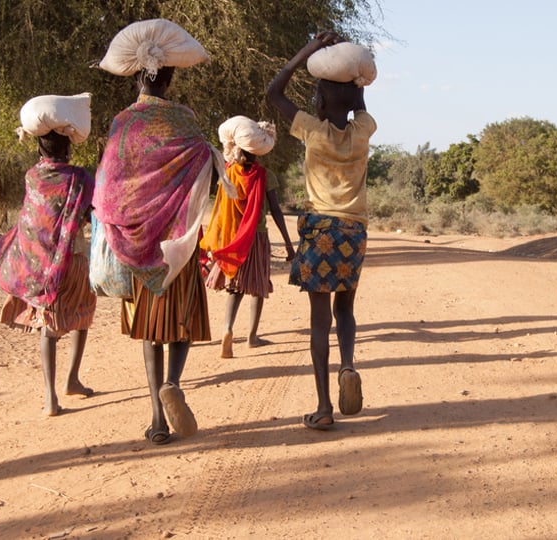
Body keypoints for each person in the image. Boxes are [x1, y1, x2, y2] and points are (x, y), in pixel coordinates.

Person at [93, 19, 225, 444]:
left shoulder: (123, 124)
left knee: (149, 331)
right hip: (178, 245)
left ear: (137, 75)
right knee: (180, 325)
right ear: (169, 76)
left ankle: (156, 416)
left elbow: (109, 185)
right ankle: (174, 382)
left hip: (138, 247)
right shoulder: (184, 120)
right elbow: (201, 162)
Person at [266, 32, 377, 430]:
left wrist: (309, 49)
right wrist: (354, 67)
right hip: (354, 231)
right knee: (345, 309)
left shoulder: (311, 130)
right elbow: (358, 101)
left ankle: (324, 406)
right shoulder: (363, 130)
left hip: (319, 232)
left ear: (318, 102)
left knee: (319, 322)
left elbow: (273, 92)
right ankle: (348, 365)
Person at [0, 94, 96, 417]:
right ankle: (72, 378)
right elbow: (89, 212)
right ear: (69, 148)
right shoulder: (79, 179)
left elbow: (32, 221)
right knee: (82, 313)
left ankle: (50, 397)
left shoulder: (32, 177)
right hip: (73, 261)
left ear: (38, 149)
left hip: (42, 266)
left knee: (48, 322)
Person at [201, 116, 295, 359]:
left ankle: (227, 330)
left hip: (234, 238)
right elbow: (275, 211)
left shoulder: (228, 174)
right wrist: (287, 242)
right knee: (258, 286)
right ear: (258, 151)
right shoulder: (266, 176)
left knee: (235, 287)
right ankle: (252, 336)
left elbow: (220, 211)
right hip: (257, 237)